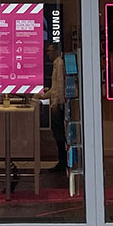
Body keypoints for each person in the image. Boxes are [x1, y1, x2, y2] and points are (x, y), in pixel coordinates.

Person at [46, 43, 66, 176]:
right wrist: (43, 95)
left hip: (58, 105)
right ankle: (62, 161)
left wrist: (55, 103)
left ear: (56, 51)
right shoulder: (56, 64)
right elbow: (55, 88)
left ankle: (62, 161)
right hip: (57, 103)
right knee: (58, 133)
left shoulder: (59, 64)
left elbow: (60, 85)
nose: (48, 53)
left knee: (59, 134)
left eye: (49, 51)